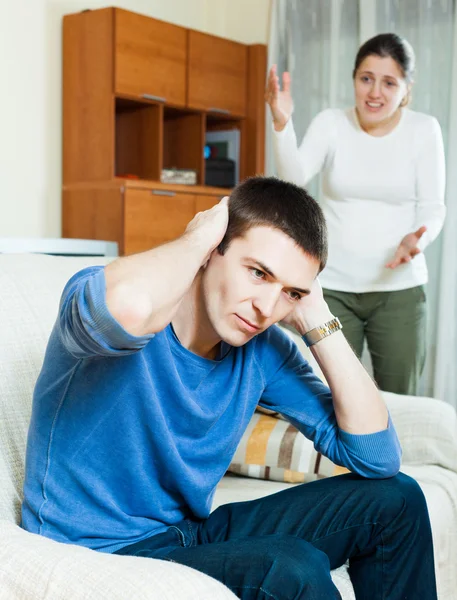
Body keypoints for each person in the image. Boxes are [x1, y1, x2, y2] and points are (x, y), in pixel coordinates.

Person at [22, 177, 437, 599]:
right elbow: (128, 308)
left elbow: (377, 457)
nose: (266, 307)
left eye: (289, 292)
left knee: (397, 499)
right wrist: (197, 237)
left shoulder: (264, 349)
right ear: (214, 250)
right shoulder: (102, 298)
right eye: (258, 273)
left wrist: (316, 313)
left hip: (187, 536)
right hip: (101, 555)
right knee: (291, 568)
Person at [266, 33, 446, 395]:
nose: (374, 92)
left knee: (398, 399)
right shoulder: (332, 122)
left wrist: (418, 238)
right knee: (327, 392)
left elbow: (433, 207)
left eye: (388, 82)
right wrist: (283, 125)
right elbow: (294, 178)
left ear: (406, 88)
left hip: (399, 292)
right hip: (332, 289)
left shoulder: (423, 130)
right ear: (354, 79)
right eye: (366, 78)